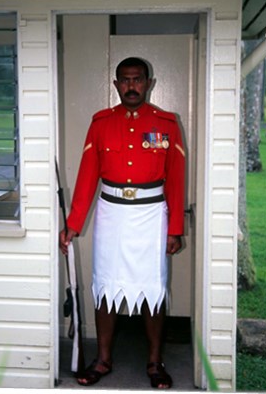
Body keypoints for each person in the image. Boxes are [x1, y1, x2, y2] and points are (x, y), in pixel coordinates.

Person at [59, 57, 185, 389]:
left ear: (149, 83)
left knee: (153, 290)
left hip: (151, 215)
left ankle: (155, 361)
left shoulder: (167, 124)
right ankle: (103, 359)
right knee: (105, 287)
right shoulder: (101, 122)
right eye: (125, 80)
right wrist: (73, 224)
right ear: (116, 85)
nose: (131, 85)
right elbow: (87, 177)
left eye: (137, 79)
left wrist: (175, 230)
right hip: (112, 214)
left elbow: (175, 179)